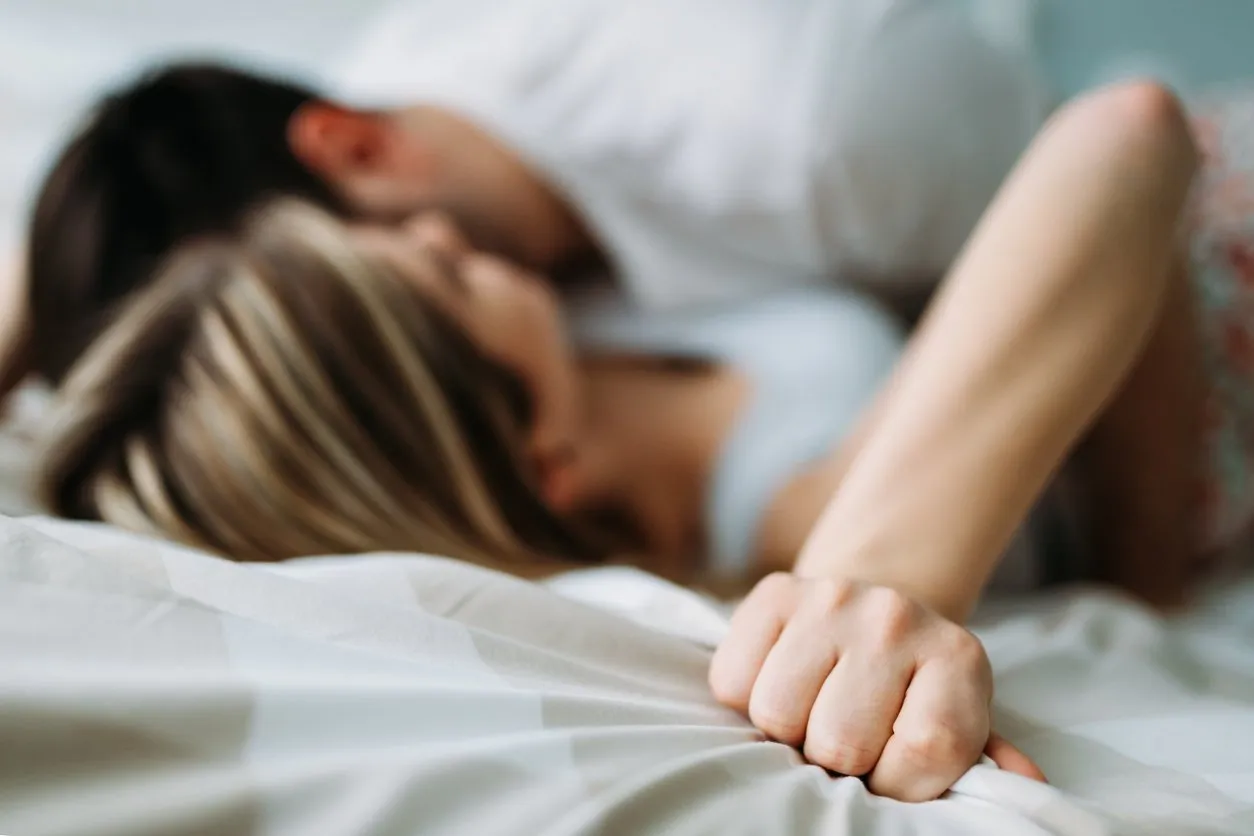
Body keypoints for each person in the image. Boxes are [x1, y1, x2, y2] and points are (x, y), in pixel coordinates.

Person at [36, 78, 1214, 801]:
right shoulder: (800, 512)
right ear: (532, 449)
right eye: (450, 273)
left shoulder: (584, 325)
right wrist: (894, 580)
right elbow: (1122, 135)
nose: (451, 232)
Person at [10, 0, 1047, 391]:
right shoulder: (394, 99)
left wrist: (1145, 585)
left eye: (339, 296)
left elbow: (1109, 227)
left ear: (355, 148)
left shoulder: (824, 132)